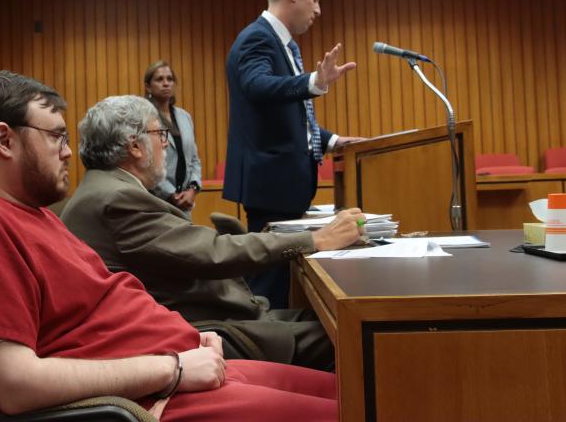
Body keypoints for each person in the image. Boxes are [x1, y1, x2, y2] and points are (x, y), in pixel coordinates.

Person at [0, 70, 338, 422]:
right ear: (4, 140)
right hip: (155, 398)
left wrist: (188, 343)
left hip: (183, 364)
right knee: (363, 407)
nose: (68, 152)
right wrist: (173, 368)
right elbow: (14, 385)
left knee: (363, 386)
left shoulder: (29, 215)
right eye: (55, 136)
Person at [62, 95, 364, 370]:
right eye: (160, 134)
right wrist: (314, 240)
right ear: (134, 146)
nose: (166, 144)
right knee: (358, 334)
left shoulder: (104, 189)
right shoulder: (117, 199)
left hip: (193, 320)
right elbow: (213, 252)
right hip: (195, 333)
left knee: (337, 321)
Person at [224, 0, 360, 309]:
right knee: (270, 282)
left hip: (283, 183)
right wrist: (314, 83)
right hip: (272, 184)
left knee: (284, 277)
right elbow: (258, 87)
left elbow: (286, 110)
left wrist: (330, 140)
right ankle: (263, 347)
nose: (318, 9)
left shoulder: (285, 44)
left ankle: (280, 341)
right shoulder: (257, 37)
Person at [143, 61, 202, 217]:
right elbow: (145, 162)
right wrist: (170, 194)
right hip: (158, 201)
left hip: (185, 202)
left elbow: (194, 159)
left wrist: (192, 189)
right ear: (148, 87)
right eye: (159, 79)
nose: (166, 83)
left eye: (170, 79)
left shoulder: (185, 117)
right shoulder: (146, 118)